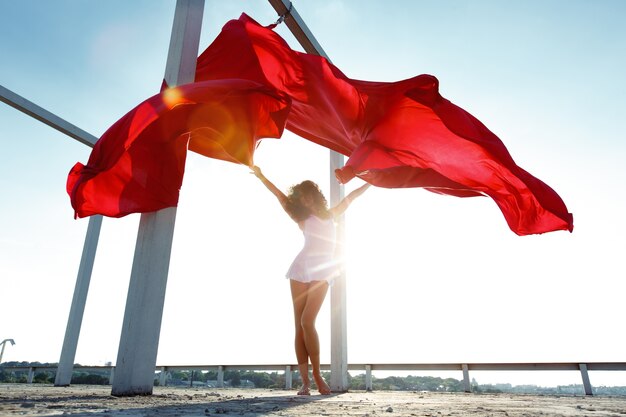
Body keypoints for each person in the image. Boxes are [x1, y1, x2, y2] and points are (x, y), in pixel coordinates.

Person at [252, 166, 370, 395]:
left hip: (323, 271)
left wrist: (372, 182)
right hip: (300, 269)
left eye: (307, 195)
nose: (304, 199)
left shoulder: (331, 214)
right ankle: (305, 383)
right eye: (300, 197)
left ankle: (317, 375)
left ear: (314, 196)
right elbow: (279, 195)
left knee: (308, 321)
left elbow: (352, 197)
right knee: (299, 326)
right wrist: (260, 175)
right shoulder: (300, 217)